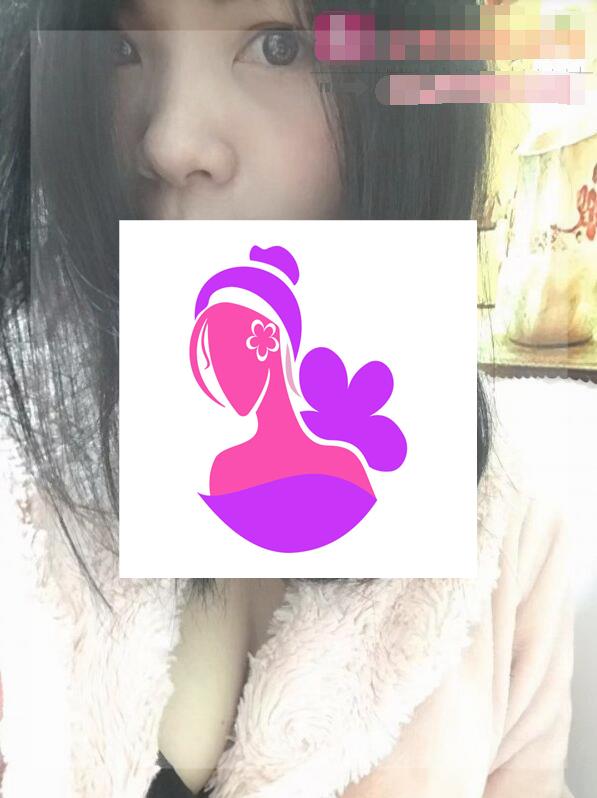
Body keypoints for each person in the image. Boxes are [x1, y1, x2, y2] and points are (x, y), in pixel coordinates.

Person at [0, 0, 574, 796]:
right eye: (120, 49)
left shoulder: (508, 528)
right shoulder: (20, 486)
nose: (170, 140)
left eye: (278, 46)